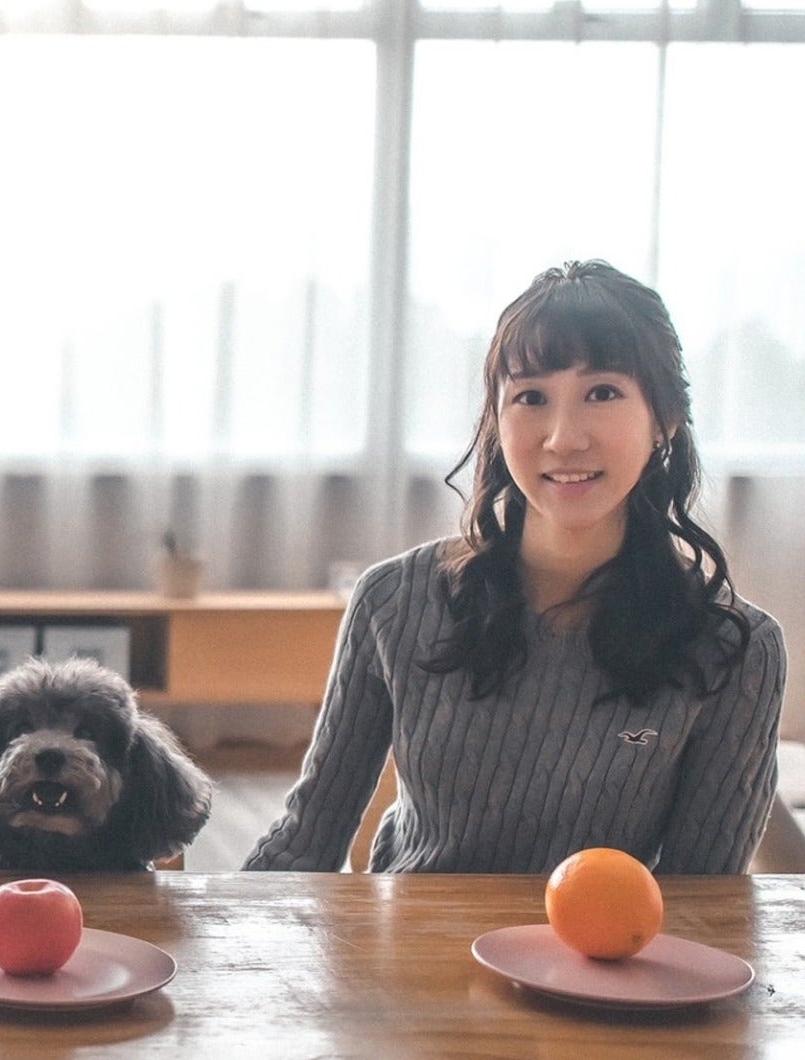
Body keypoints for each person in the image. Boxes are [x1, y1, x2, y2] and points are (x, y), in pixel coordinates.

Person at [247, 260, 785, 875]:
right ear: (497, 423)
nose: (563, 438)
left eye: (602, 392)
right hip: (409, 958)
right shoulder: (394, 600)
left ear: (664, 420)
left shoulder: (737, 648)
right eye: (531, 397)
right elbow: (304, 842)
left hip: (607, 964)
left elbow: (702, 901)